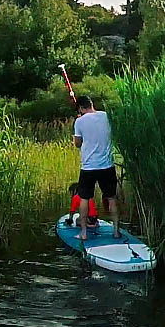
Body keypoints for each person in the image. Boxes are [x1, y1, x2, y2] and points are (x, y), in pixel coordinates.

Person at [72, 96, 120, 241]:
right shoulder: (106, 116)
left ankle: (84, 233)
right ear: (92, 104)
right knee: (111, 198)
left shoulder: (79, 121)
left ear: (81, 108)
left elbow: (78, 143)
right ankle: (116, 231)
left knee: (85, 198)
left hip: (88, 167)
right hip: (107, 166)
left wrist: (80, 123)